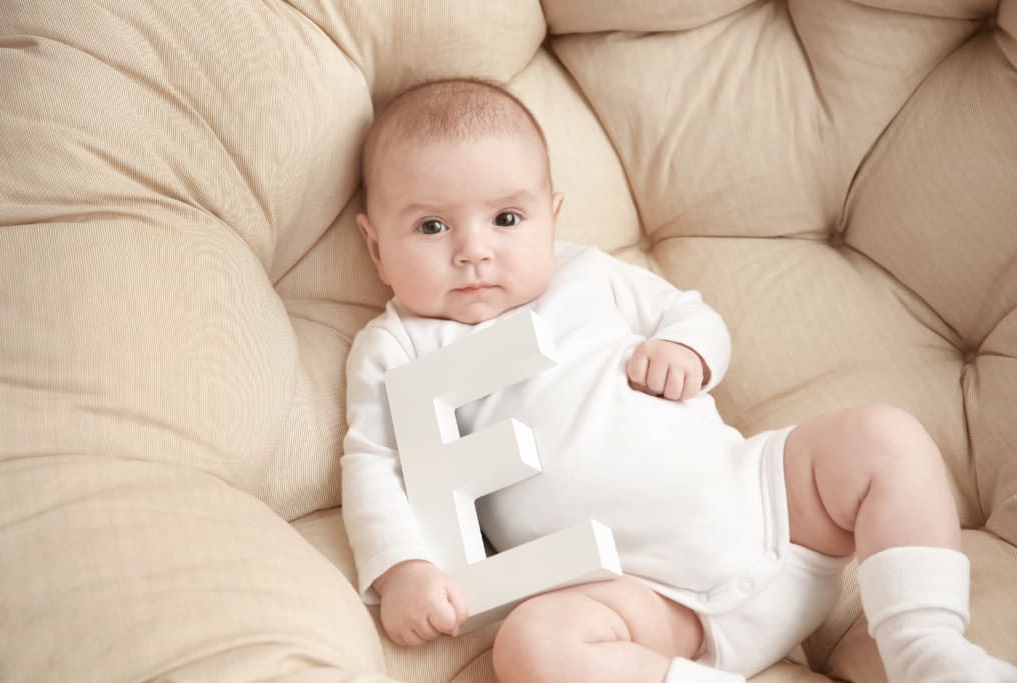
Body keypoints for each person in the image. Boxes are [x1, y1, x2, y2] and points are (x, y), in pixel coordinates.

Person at [340, 78, 1017, 683]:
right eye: (432, 225)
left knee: (883, 437)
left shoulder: (588, 273)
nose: (474, 250)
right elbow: (373, 462)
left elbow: (689, 312)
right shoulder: (396, 346)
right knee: (531, 646)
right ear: (376, 247)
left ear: (553, 214)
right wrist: (401, 567)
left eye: (507, 219)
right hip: (649, 601)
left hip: (770, 509)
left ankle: (926, 645)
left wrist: (685, 348)